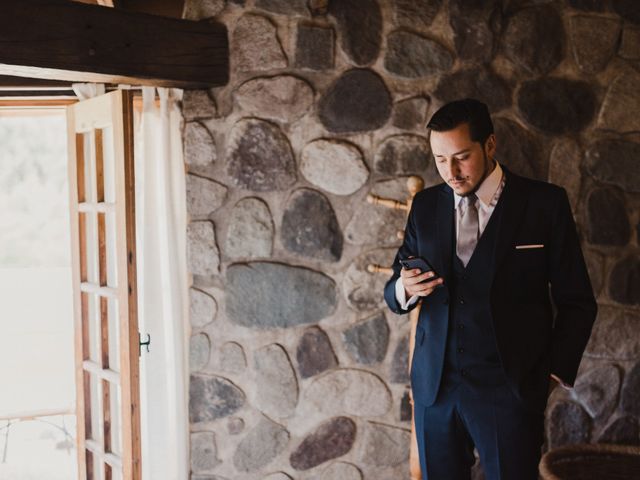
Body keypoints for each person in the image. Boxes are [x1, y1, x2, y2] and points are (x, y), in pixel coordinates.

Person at [383, 98, 597, 480]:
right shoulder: (425, 206)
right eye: (439, 159)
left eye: (461, 157)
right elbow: (394, 292)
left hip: (510, 392)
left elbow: (578, 301)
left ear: (490, 145)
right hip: (435, 393)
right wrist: (403, 287)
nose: (451, 171)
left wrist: (548, 377)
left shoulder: (544, 204)